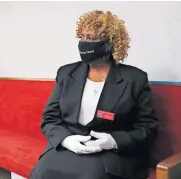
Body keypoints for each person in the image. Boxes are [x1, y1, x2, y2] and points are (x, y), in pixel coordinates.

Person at [30, 10, 159, 179]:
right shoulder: (66, 73)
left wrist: (113, 141)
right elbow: (50, 118)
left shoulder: (135, 78)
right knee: (41, 173)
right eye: (82, 37)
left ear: (110, 43)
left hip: (111, 154)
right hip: (70, 146)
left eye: (91, 38)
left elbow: (148, 127)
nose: (84, 43)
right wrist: (66, 140)